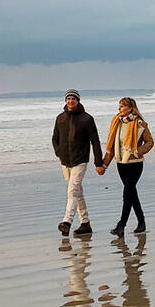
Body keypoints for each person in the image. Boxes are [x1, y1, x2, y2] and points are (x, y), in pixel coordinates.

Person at [100, 96, 154, 236]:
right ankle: (141, 221)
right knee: (131, 193)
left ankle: (121, 225)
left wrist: (137, 151)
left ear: (131, 108)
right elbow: (112, 145)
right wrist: (104, 164)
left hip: (135, 164)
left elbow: (150, 143)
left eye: (122, 106)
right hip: (121, 163)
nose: (119, 109)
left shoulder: (140, 124)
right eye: (119, 106)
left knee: (127, 193)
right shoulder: (116, 122)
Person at [53, 89, 103, 236]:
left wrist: (98, 163)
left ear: (78, 100)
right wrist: (59, 152)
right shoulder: (60, 118)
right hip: (65, 161)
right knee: (77, 192)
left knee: (72, 191)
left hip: (80, 160)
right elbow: (54, 138)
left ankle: (67, 221)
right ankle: (85, 223)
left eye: (73, 99)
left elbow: (95, 142)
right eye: (68, 99)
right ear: (65, 100)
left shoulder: (87, 119)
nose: (70, 101)